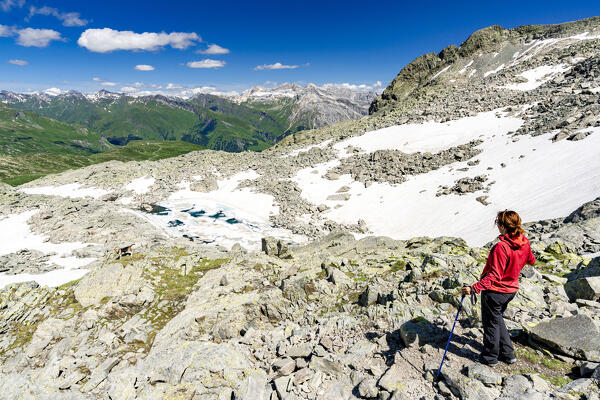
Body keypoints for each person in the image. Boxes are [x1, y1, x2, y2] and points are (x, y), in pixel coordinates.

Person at [461, 210, 536, 367]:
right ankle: (508, 354)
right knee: (497, 319)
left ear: (503, 226)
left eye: (497, 222)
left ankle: (490, 358)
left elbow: (494, 276)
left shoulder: (501, 247)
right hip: (511, 290)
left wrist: (473, 288)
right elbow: (531, 260)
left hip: (495, 292)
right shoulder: (524, 241)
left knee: (490, 324)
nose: (496, 225)